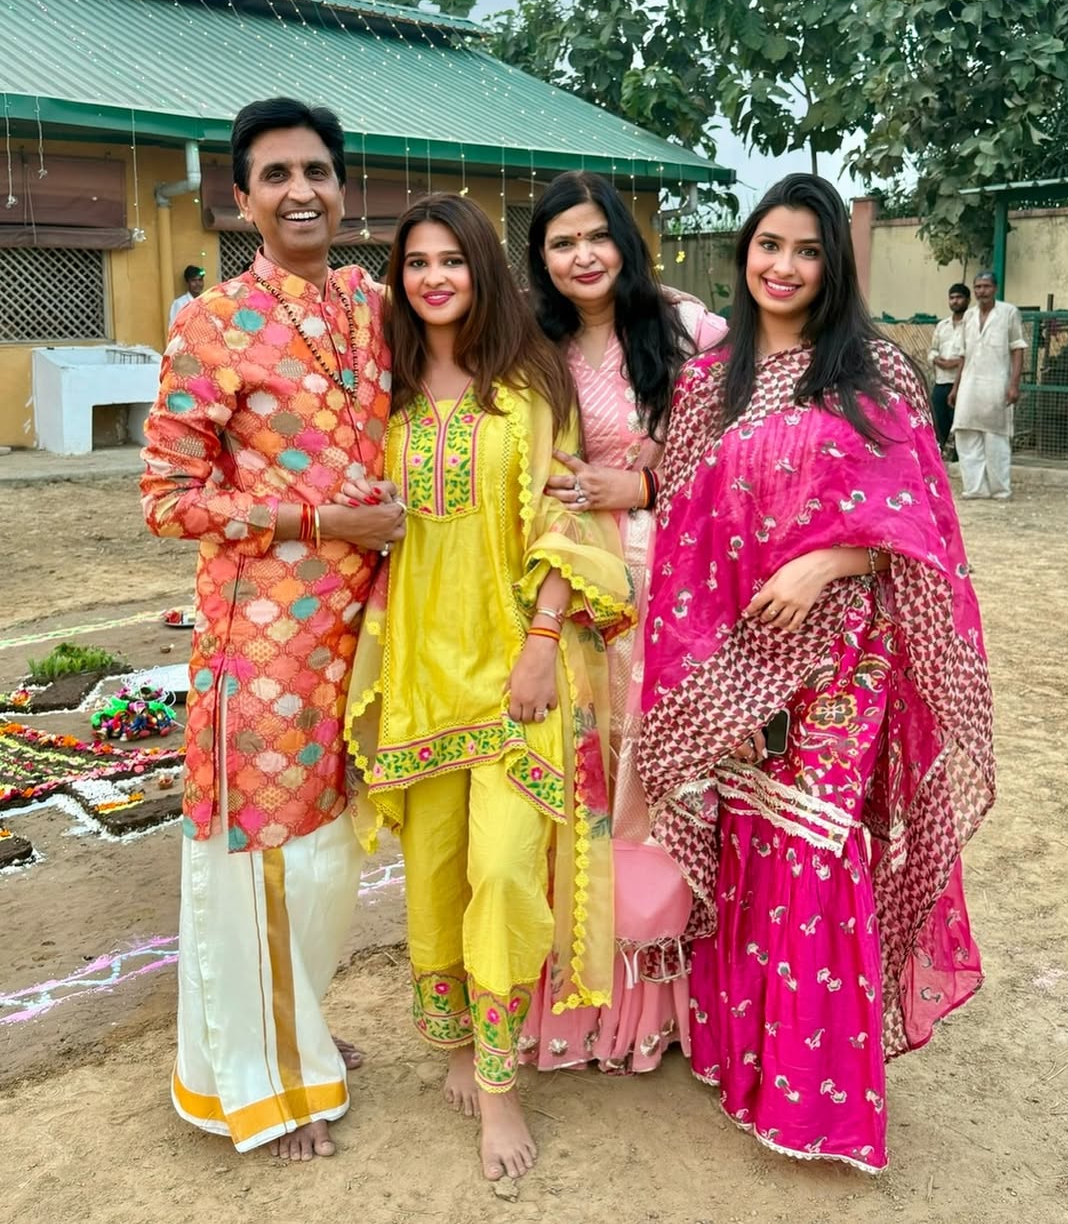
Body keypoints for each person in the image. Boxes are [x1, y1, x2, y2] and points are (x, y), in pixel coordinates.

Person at [638, 174, 995, 1173]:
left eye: (807, 249)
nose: (785, 266)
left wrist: (826, 560)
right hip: (738, 657)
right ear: (745, 252)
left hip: (842, 657)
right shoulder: (712, 383)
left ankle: (818, 1104)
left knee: (815, 847)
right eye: (770, 245)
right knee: (748, 838)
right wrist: (706, 670)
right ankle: (739, 1063)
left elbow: (923, 529)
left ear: (833, 264)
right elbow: (685, 531)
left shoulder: (873, 375)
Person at [340, 193, 634, 1180]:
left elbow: (566, 518)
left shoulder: (530, 379)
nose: (434, 278)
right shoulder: (382, 390)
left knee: (505, 871)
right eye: (416, 262)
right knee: (436, 875)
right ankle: (460, 1043)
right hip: (420, 674)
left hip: (516, 672)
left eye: (452, 259)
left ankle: (502, 1084)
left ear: (483, 269)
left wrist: (544, 640)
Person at [141, 98, 405, 1162]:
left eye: (318, 172)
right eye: (277, 175)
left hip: (368, 633)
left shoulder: (376, 306)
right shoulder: (212, 323)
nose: (302, 191)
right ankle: (268, 1082)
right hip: (262, 645)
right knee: (266, 858)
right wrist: (319, 520)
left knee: (332, 857)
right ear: (242, 199)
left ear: (344, 189)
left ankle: (291, 1035)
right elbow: (167, 498)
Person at [518, 170, 725, 1075]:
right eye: (561, 243)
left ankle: (668, 1004)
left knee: (663, 771)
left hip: (679, 579)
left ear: (626, 241)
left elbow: (735, 458)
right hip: (580, 586)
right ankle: (589, 998)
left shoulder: (689, 330)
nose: (582, 256)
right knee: (590, 773)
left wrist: (639, 482)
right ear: (542, 259)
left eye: (596, 236)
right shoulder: (535, 348)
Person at [951, 270, 1026, 500]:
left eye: (986, 286)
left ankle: (1000, 489)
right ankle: (975, 488)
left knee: (996, 438)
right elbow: (963, 354)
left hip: (997, 383)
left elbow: (1017, 348)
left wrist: (1014, 384)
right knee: (965, 434)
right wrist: (955, 387)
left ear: (995, 289)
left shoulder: (1008, 313)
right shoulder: (968, 316)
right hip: (969, 384)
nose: (981, 291)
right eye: (978, 287)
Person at [926, 282, 968, 453]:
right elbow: (932, 351)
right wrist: (938, 361)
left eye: (959, 297)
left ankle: (960, 461)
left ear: (967, 300)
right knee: (937, 426)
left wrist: (957, 363)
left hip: (963, 385)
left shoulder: (971, 325)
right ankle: (936, 460)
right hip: (941, 383)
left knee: (961, 428)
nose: (955, 301)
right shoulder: (942, 325)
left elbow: (973, 355)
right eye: (952, 298)